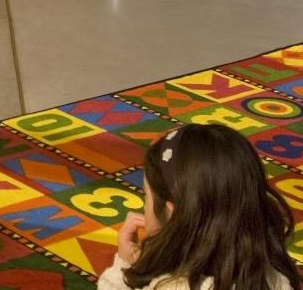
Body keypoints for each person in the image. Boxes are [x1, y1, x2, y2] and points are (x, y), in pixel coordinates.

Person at [99, 123, 300, 290]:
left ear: (173, 211)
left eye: (147, 197)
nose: (145, 208)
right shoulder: (272, 276)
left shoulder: (169, 285)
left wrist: (124, 268)